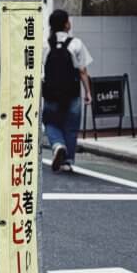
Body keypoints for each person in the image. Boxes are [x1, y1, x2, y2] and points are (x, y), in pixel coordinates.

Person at [42, 9, 93, 173]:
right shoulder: (76, 43)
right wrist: (88, 92)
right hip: (72, 93)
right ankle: (67, 161)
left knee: (50, 122)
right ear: (66, 24)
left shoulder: (45, 44)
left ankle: (57, 145)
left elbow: (38, 71)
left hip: (50, 93)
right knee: (71, 127)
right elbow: (82, 71)